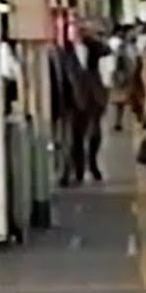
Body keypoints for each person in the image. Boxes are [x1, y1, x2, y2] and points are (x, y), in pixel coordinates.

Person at [54, 18, 110, 185]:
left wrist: (92, 35)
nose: (76, 33)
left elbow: (107, 51)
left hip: (94, 98)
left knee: (94, 135)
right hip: (73, 100)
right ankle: (73, 171)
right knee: (73, 138)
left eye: (79, 30)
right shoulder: (63, 53)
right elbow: (62, 78)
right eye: (73, 30)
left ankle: (92, 165)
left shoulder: (94, 48)